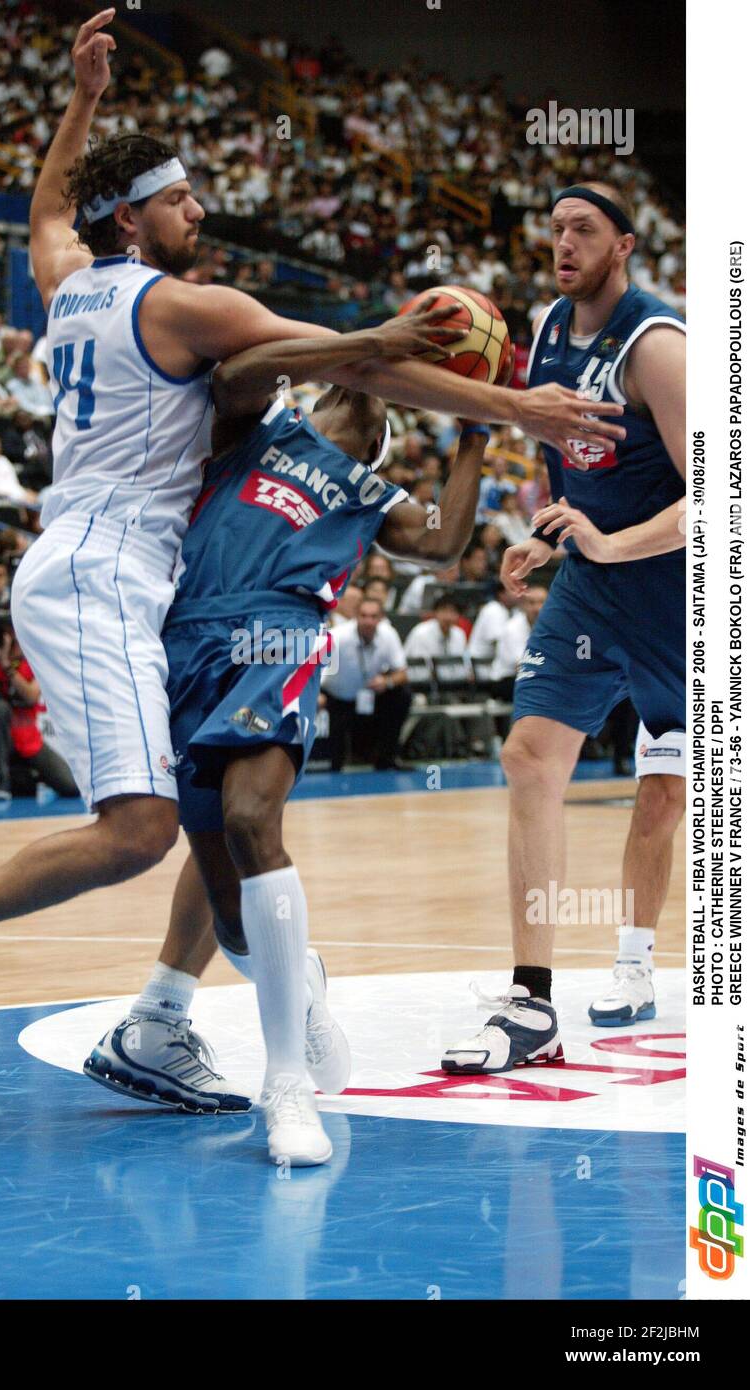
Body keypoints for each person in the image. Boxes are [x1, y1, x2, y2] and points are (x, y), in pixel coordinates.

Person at [0, 10, 623, 1097]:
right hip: (103, 571)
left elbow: (43, 207)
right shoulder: (182, 305)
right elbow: (362, 365)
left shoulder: (65, 280)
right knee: (139, 830)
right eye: (180, 197)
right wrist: (511, 406)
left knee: (209, 809)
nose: (200, 210)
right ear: (131, 213)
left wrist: (81, 99)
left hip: (115, 573)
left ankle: (160, 1021)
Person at [83, 325, 493, 1163]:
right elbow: (237, 366)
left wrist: (475, 425)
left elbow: (447, 541)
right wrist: (368, 342)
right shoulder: (254, 425)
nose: (358, 398)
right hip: (188, 640)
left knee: (249, 816)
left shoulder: (367, 490)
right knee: (225, 893)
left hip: (281, 637)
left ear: (381, 438)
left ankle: (286, 1086)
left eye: (371, 402)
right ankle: (295, 985)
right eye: (349, 385)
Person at [442, 181, 685, 1075]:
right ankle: (533, 1000)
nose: (563, 243)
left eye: (582, 229)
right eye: (554, 230)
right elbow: (574, 473)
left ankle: (650, 961)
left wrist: (612, 543)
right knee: (529, 755)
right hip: (595, 580)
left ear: (624, 245)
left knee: (676, 795)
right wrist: (549, 536)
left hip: (686, 594)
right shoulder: (547, 328)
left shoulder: (655, 347)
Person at [0, 611, 79, 801]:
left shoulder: (31, 659)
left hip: (27, 739)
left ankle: (31, 774)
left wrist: (5, 665)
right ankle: (0, 782)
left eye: (11, 632)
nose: (8, 638)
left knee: (70, 787)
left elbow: (32, 697)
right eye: (4, 633)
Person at [323, 596, 411, 772]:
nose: (368, 621)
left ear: (381, 618)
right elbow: (315, 669)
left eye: (373, 616)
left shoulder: (388, 634)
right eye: (364, 616)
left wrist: (387, 681)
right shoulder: (338, 637)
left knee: (402, 694)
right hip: (338, 698)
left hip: (370, 695)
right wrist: (317, 695)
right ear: (356, 616)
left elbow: (403, 673)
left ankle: (387, 759)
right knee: (335, 764)